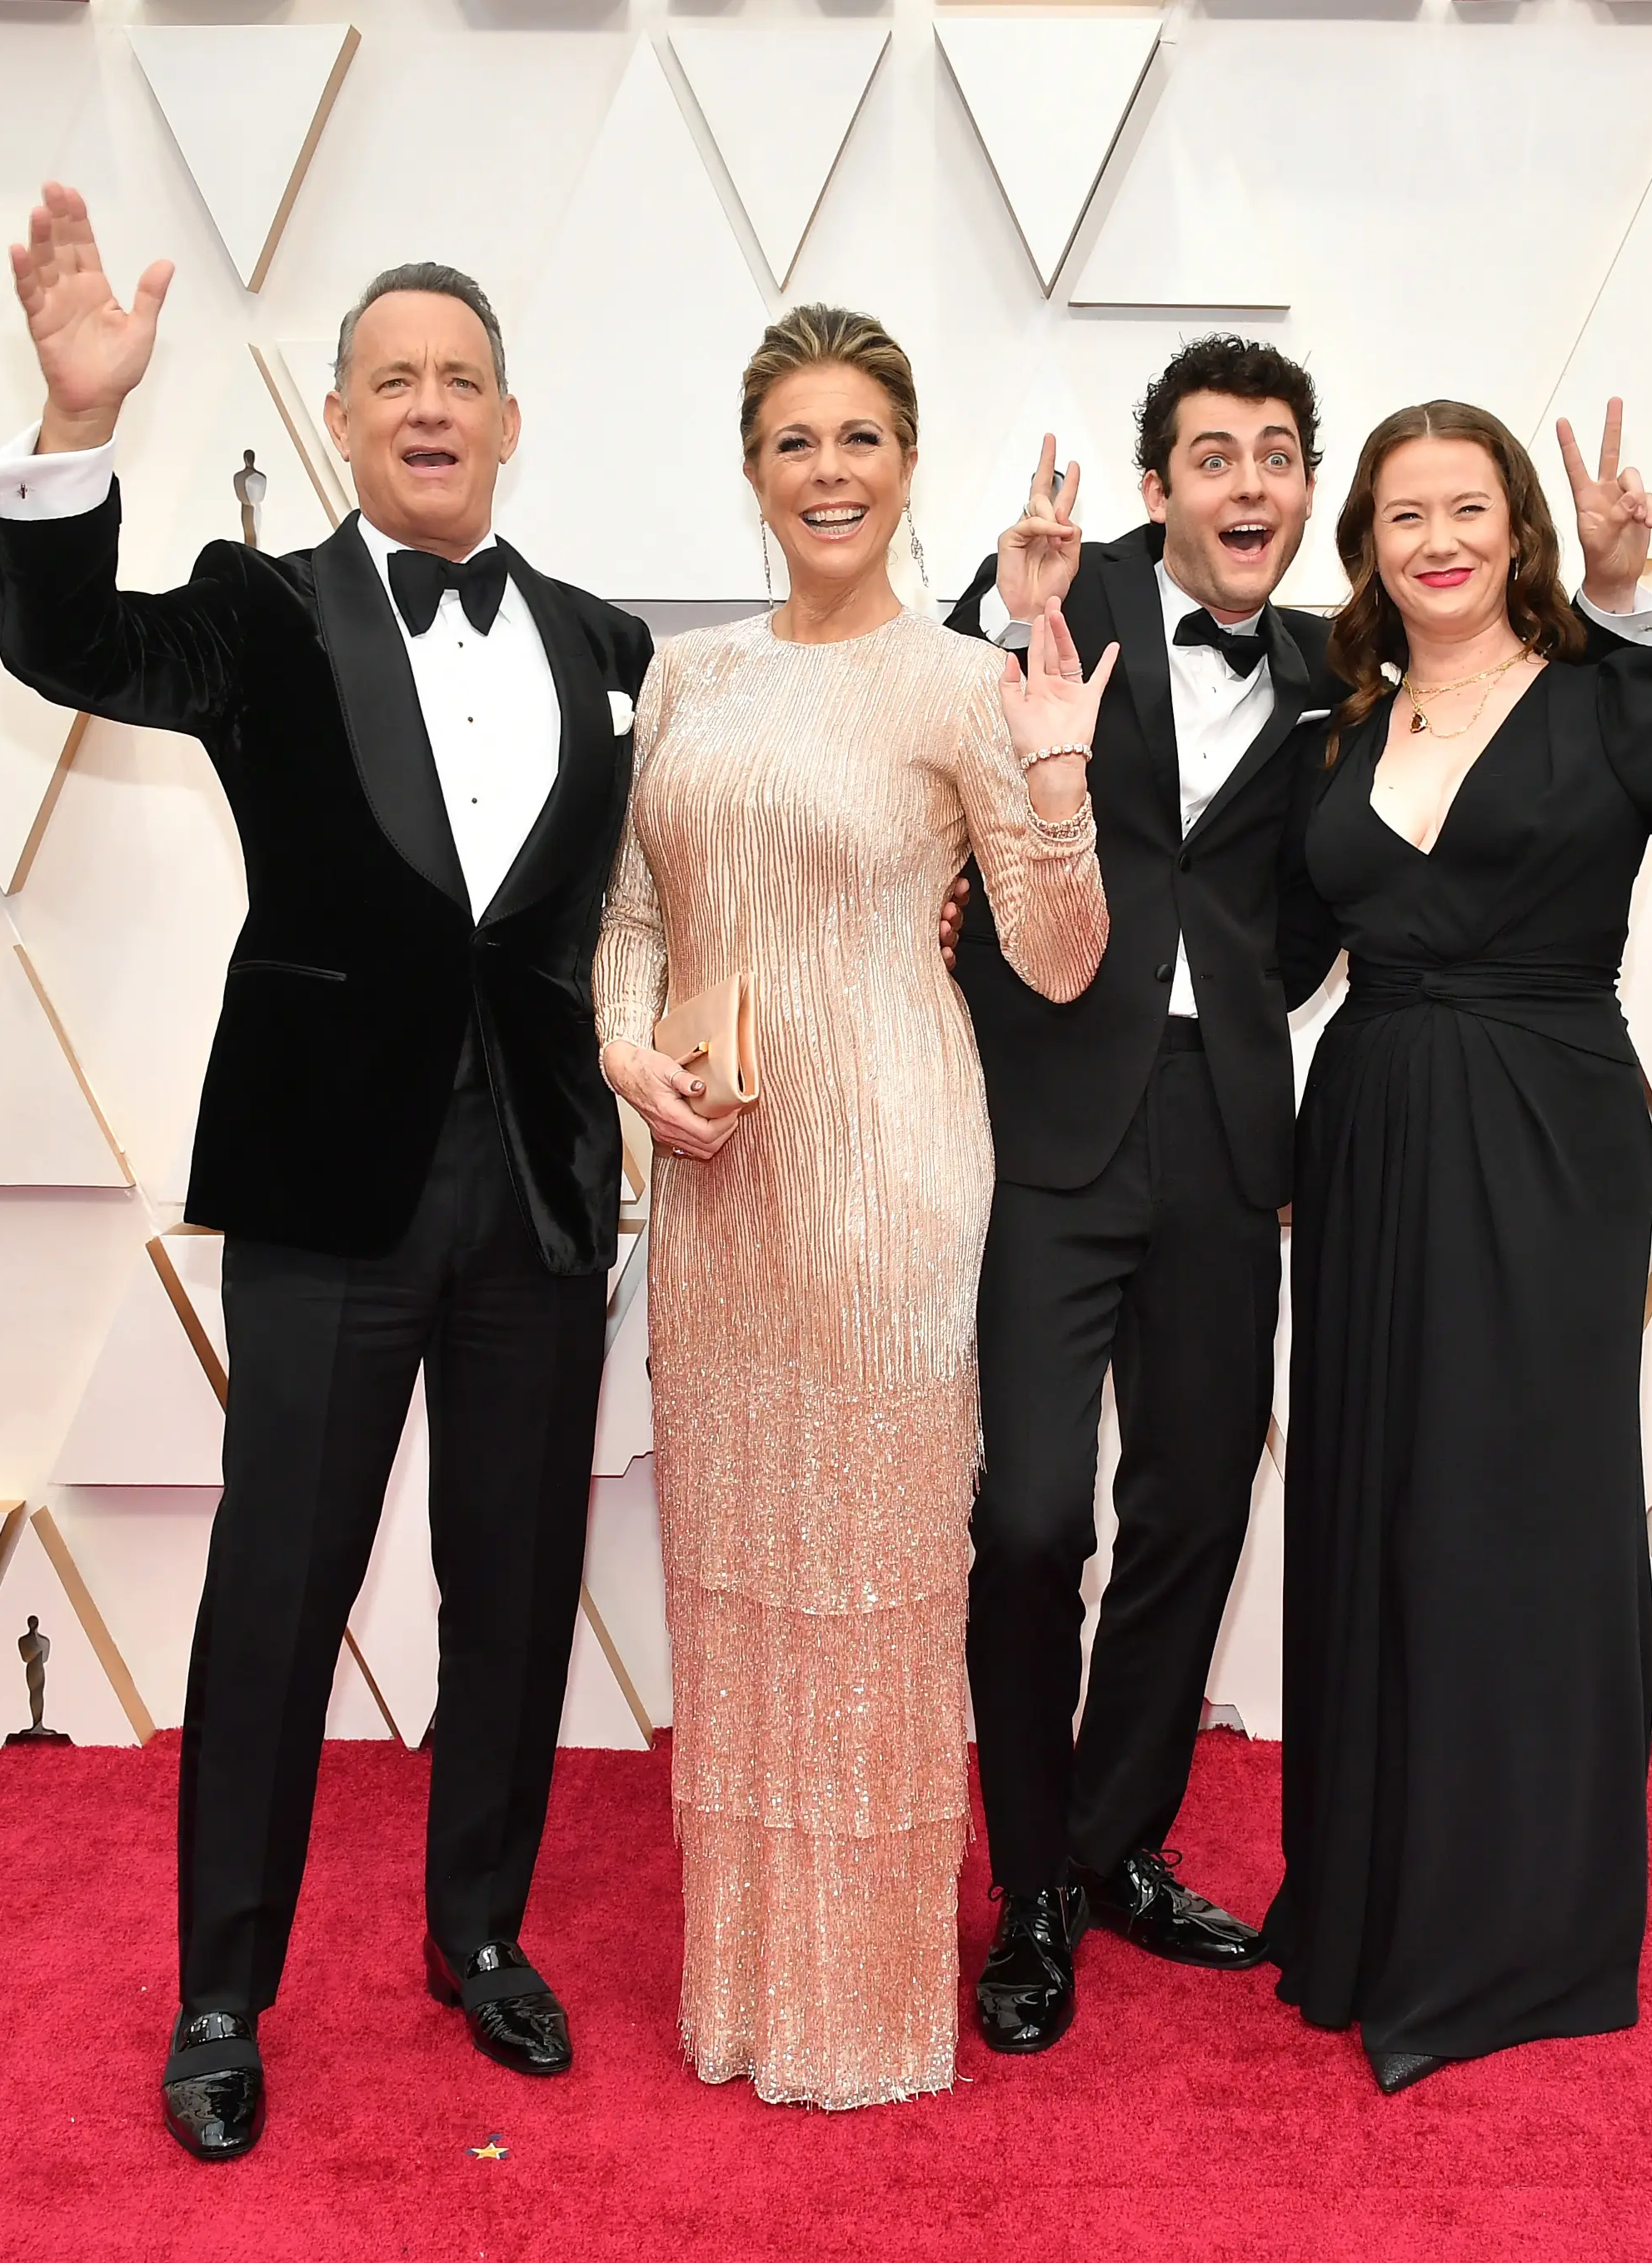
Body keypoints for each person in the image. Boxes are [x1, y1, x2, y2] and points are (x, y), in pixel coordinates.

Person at [0, 183, 655, 2161]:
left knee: (515, 1584)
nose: (429, 407)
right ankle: (221, 1988)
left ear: (512, 420)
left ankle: (479, 1933)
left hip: (538, 1181)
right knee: (277, 1591)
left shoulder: (611, 645)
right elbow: (67, 640)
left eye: (463, 378)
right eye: (393, 381)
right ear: (345, 423)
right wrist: (76, 421)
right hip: (323, 1183)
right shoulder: (261, 612)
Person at [941, 339, 1652, 2055]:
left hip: (1232, 1141)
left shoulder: (1337, 676)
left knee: (1196, 1504)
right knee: (1037, 1512)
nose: (1249, 485)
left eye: (1278, 455)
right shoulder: (1052, 600)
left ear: (1303, 490)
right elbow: (948, 768)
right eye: (1214, 456)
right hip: (1051, 1128)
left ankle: (1113, 1846)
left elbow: (1346, 891)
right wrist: (992, 626)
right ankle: (1029, 1880)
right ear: (1157, 485)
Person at [1265, 401, 1652, 2094]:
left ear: (1517, 527)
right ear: (1367, 547)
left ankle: (1513, 1925)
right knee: (1378, 1500)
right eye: (1401, 515)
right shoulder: (1340, 722)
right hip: (1371, 1125)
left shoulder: (1608, 698)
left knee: (1510, 1510)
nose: (1436, 537)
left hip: (1547, 1129)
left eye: (1467, 506)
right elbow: (1278, 949)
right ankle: (1374, 1905)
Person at [593, 305, 1111, 2109]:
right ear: (754, 471)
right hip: (716, 1177)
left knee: (882, 1572)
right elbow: (640, 918)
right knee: (737, 1577)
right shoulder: (689, 679)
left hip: (891, 1166)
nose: (830, 471)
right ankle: (747, 1982)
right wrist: (621, 1053)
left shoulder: (966, 682)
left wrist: (1055, 775)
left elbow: (1054, 961)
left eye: (863, 440)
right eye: (797, 440)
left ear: (909, 466)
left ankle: (869, 1997)